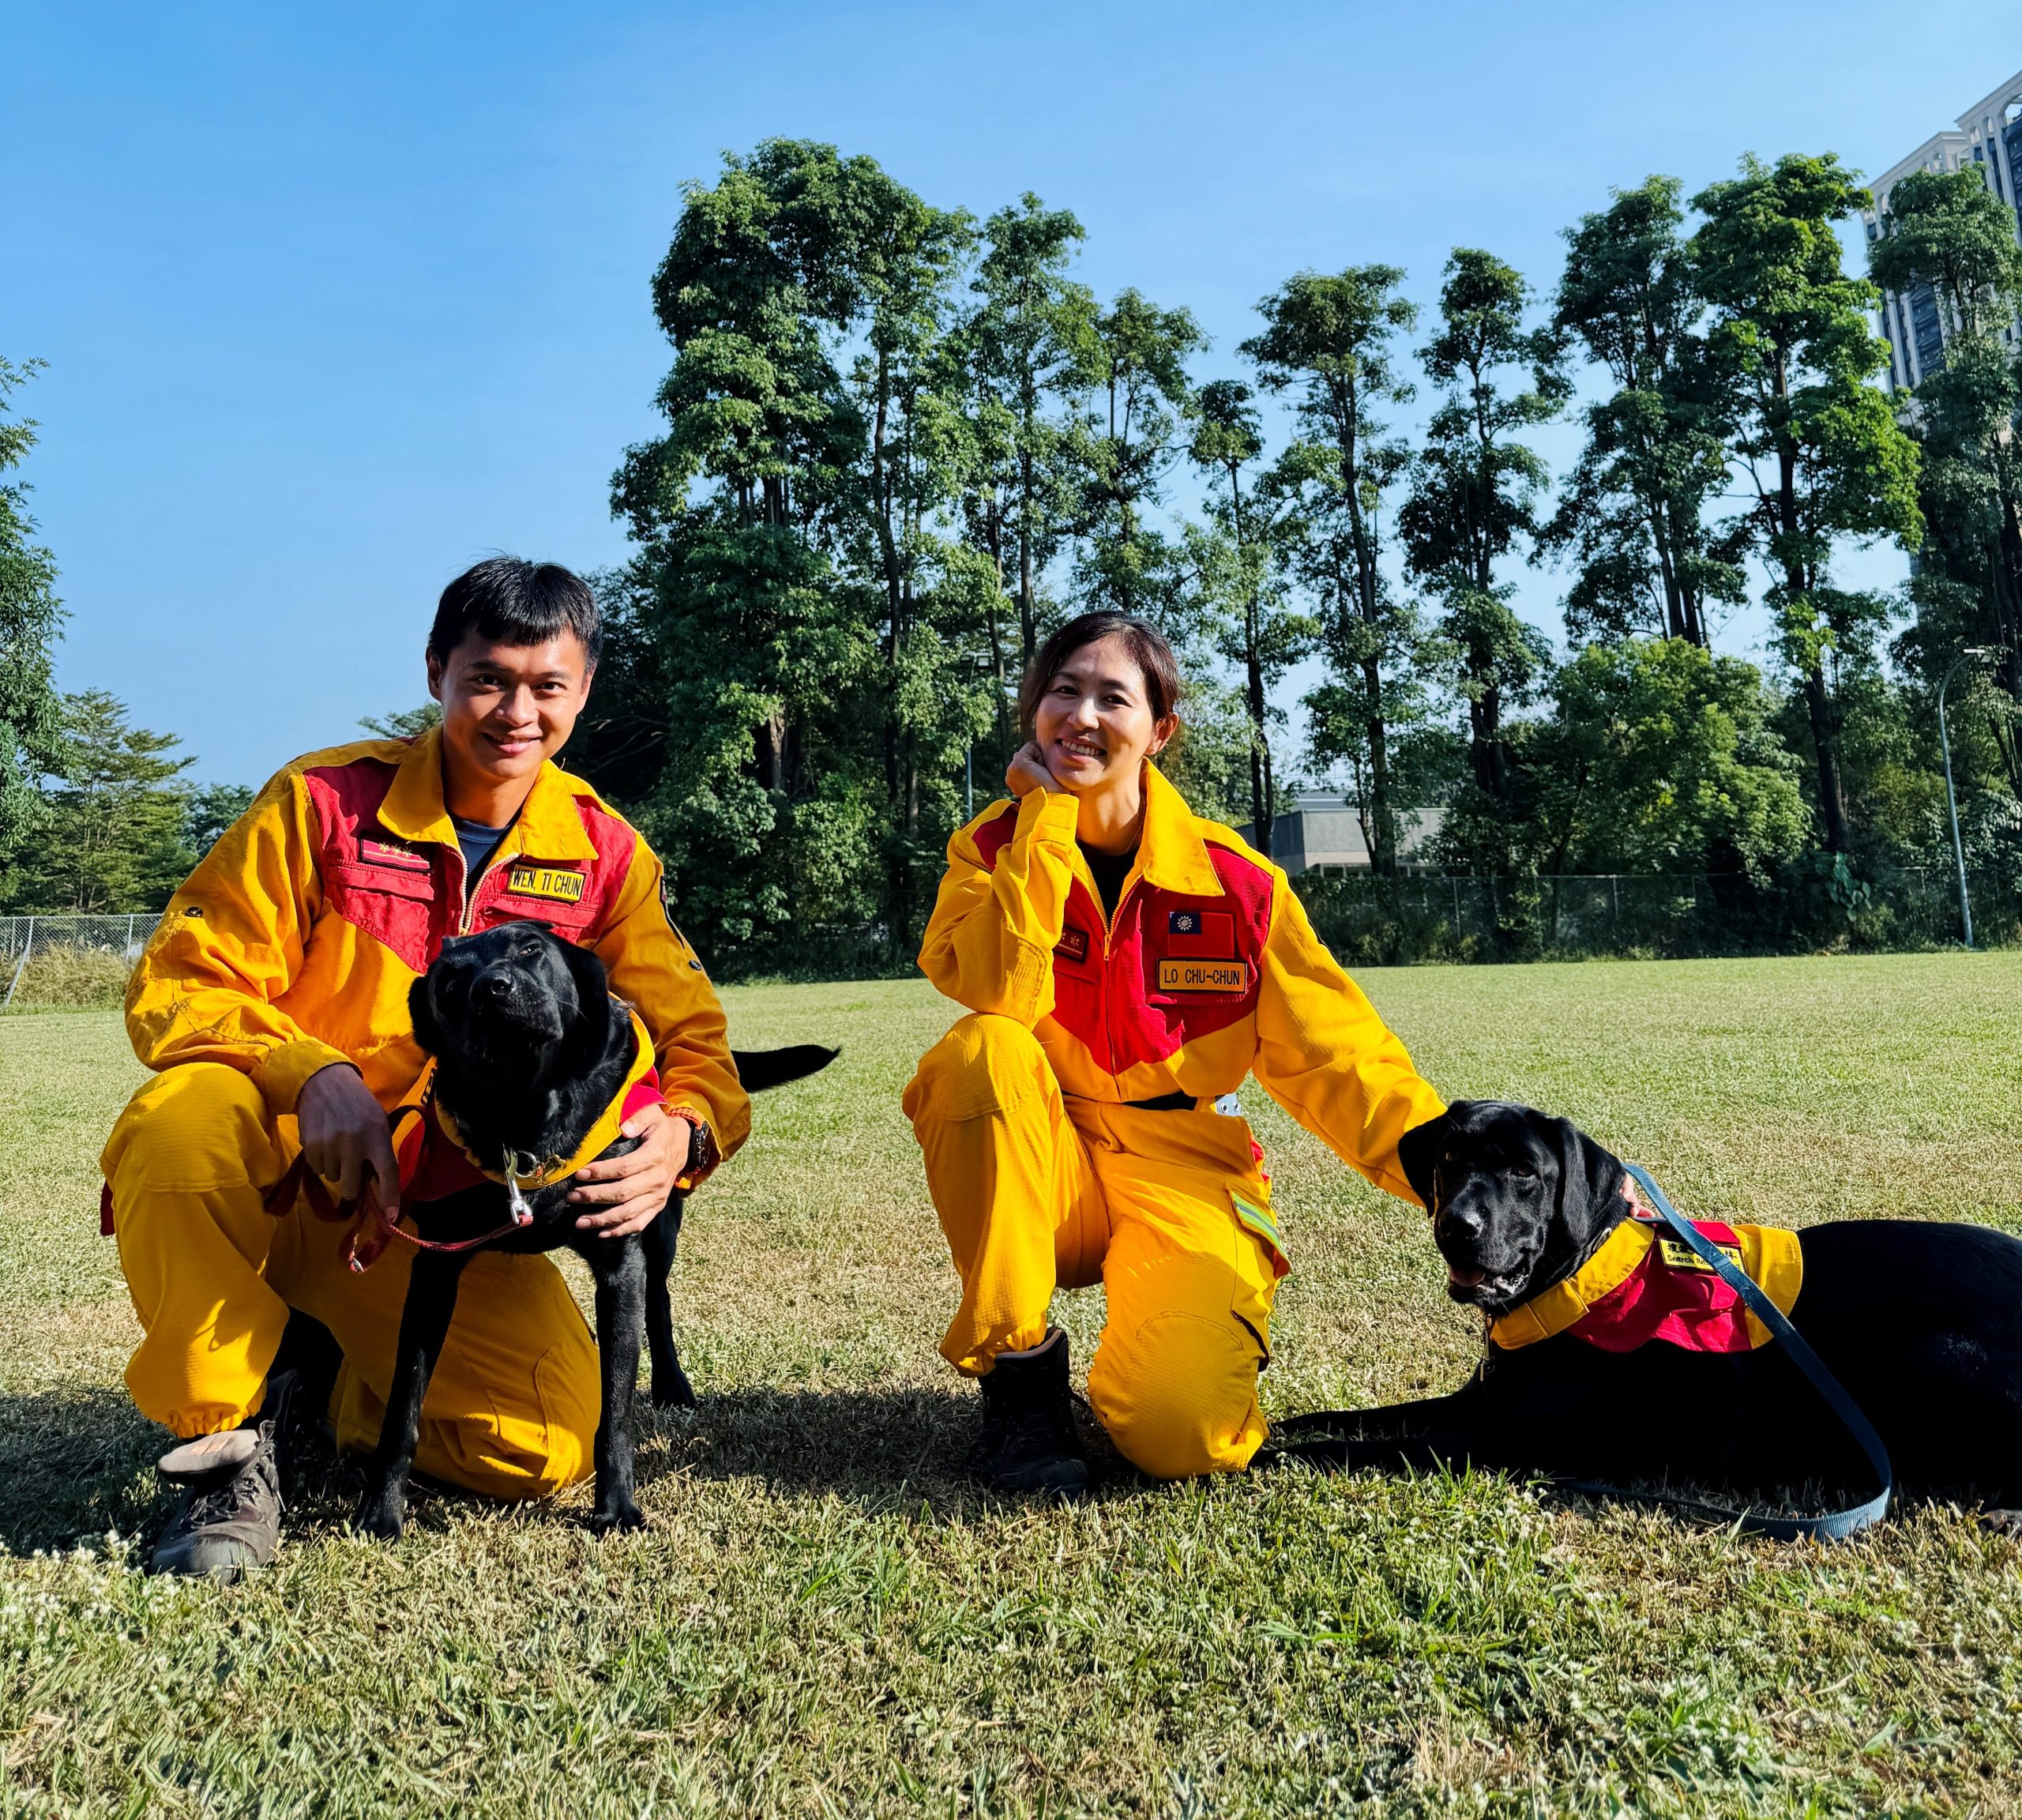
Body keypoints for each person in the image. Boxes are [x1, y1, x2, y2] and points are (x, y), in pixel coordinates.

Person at [101, 557, 749, 1577]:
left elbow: (696, 1039)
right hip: (287, 1177)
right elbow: (181, 981)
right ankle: (221, 1441)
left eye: (549, 686)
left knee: (537, 1445)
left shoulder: (608, 850)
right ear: (438, 669)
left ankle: (316, 1373)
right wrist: (314, 1073)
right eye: (489, 678)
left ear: (584, 691)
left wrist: (685, 1132)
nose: (516, 711)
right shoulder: (320, 801)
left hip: (439, 1210)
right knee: (178, 1123)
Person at [904, 611, 1451, 1494]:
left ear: (1159, 732)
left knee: (1184, 1436)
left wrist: (1450, 1162)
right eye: (1061, 691)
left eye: (1112, 697)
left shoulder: (1239, 885)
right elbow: (1000, 990)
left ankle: (1177, 1348)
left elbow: (1337, 1057)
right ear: (1032, 714)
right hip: (1055, 1164)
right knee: (982, 1053)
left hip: (1189, 1163)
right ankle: (1022, 1382)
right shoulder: (989, 849)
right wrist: (1043, 821)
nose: (1080, 715)